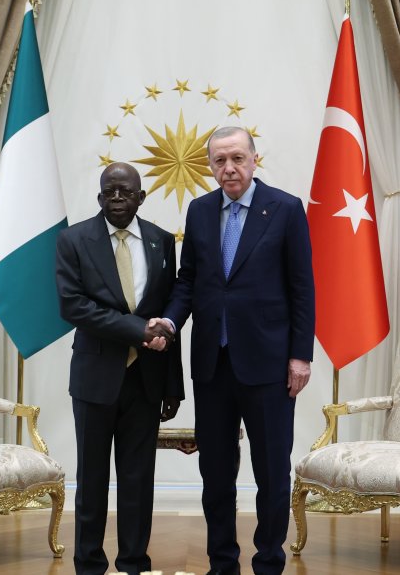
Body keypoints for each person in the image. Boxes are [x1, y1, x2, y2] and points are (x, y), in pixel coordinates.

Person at [154, 126, 314, 575]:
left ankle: (268, 563)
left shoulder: (284, 209)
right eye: (220, 161)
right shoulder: (201, 210)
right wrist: (169, 321)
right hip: (212, 365)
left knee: (270, 473)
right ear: (210, 166)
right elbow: (189, 282)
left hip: (268, 366)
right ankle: (221, 564)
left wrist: (300, 355)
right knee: (216, 476)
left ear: (254, 160)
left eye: (237, 159)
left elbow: (302, 289)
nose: (229, 168)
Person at [55, 162, 183, 575]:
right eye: (108, 192)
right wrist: (138, 330)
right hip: (95, 379)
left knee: (137, 481)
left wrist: (172, 387)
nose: (116, 199)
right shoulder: (74, 240)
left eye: (124, 192)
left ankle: (134, 563)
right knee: (91, 480)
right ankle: (89, 564)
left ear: (140, 197)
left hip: (145, 382)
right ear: (98, 197)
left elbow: (167, 316)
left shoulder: (162, 242)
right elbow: (74, 307)